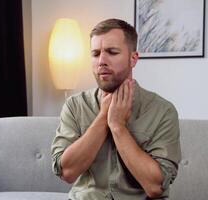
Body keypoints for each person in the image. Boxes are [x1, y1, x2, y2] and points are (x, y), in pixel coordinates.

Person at [51, 18, 181, 200]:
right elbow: (67, 172)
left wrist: (118, 126)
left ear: (133, 58)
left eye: (112, 52)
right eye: (95, 54)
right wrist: (104, 117)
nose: (101, 61)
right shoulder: (74, 106)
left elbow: (156, 187)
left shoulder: (162, 111)